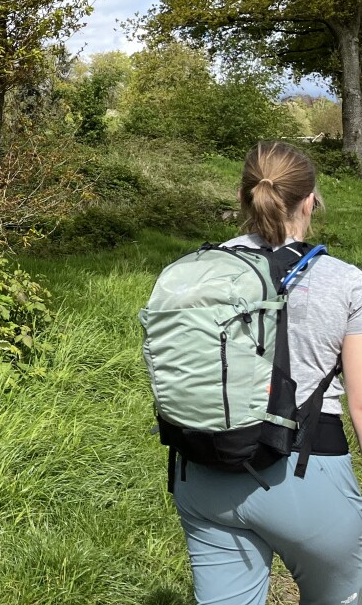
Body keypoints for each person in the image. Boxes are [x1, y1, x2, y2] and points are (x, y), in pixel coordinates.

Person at [173, 140, 362, 605]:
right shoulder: (345, 281)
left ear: (242, 198)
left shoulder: (194, 270)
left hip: (203, 470)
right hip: (304, 473)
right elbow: (360, 403)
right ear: (310, 200)